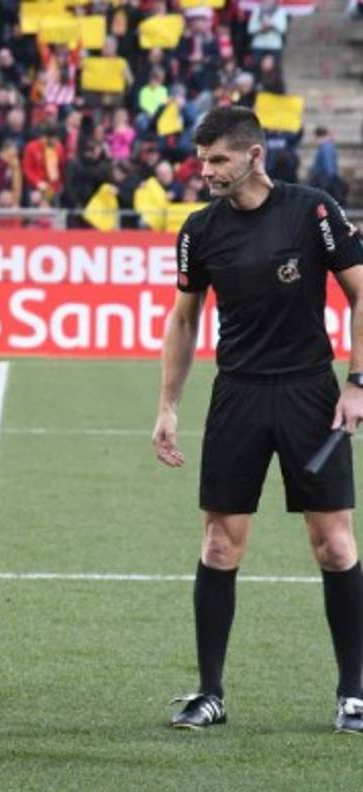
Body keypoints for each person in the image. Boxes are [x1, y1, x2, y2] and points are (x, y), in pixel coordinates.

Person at [153, 106, 363, 733]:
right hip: (237, 395)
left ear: (254, 155)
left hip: (309, 394)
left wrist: (356, 383)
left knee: (333, 544)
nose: (206, 171)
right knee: (219, 544)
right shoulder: (199, 230)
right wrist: (167, 404)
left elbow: (360, 293)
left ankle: (353, 692)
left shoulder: (313, 210)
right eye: (202, 159)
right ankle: (209, 693)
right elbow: (184, 320)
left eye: (217, 159)